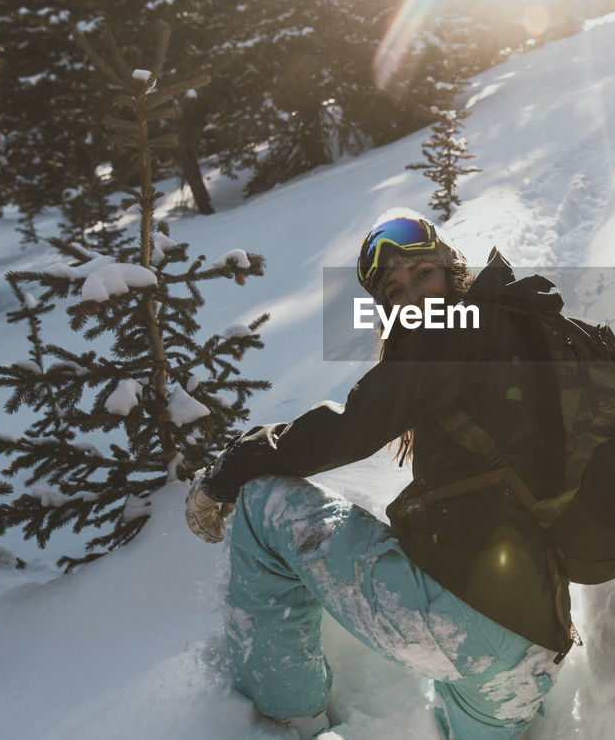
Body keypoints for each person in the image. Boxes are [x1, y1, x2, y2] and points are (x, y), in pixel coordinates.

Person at [186, 216, 574, 740]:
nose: (414, 296)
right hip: (533, 645)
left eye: (422, 274)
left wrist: (230, 469)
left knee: (260, 506)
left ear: (449, 267)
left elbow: (347, 428)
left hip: (463, 625)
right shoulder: (514, 326)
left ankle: (284, 721)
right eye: (396, 290)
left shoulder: (455, 333)